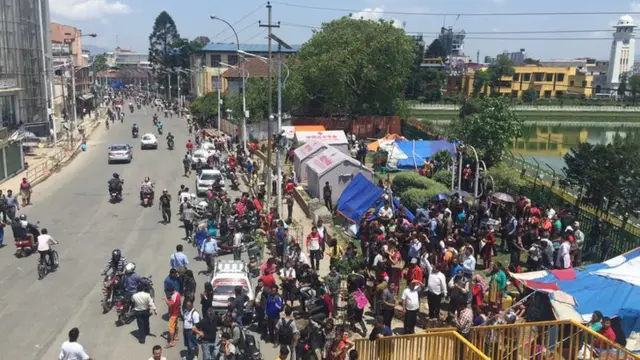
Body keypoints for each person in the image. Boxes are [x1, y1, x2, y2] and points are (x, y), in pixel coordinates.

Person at [163, 284, 181, 348]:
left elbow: (170, 305)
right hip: (177, 312)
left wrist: (165, 300)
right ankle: (176, 336)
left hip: (173, 314)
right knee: (176, 325)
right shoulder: (178, 294)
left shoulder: (173, 296)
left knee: (171, 328)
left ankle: (171, 342)